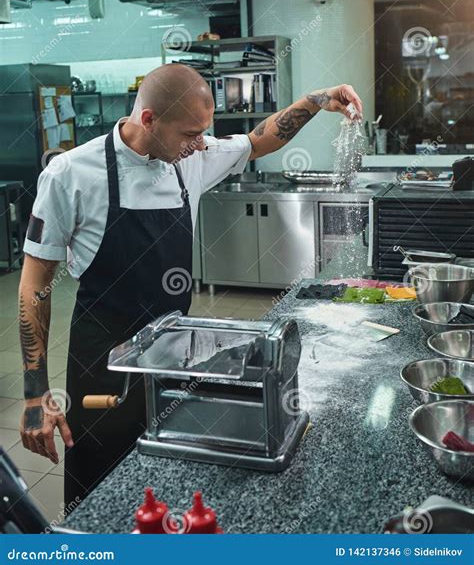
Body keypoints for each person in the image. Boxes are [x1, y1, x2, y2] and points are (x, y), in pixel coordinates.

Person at [18, 63, 362, 508]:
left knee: (173, 479)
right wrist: (34, 393)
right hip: (102, 361)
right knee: (100, 490)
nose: (201, 144)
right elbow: (34, 284)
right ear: (148, 120)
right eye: (190, 134)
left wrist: (316, 101)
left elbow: (258, 140)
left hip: (174, 355)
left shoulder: (190, 158)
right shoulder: (69, 174)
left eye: (205, 132)